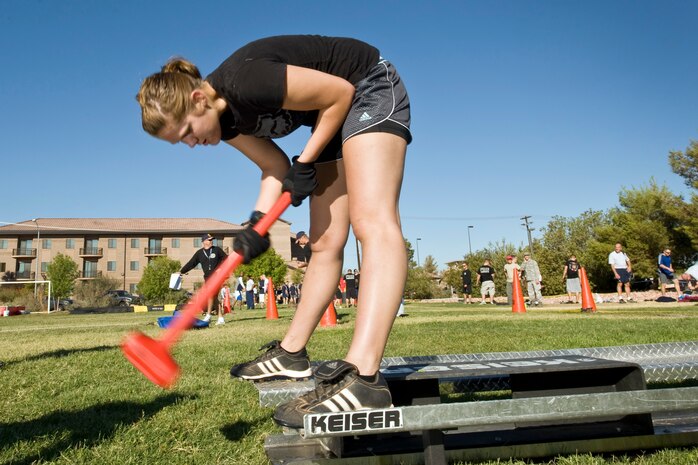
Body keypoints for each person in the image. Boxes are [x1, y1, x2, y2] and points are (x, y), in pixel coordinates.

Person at [137, 35, 411, 428]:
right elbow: (273, 167)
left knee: (372, 220)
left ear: (198, 100)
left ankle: (364, 378)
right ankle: (291, 353)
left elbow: (340, 92)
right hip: (331, 117)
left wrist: (307, 160)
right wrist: (255, 223)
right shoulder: (227, 120)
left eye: (186, 133)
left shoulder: (244, 82)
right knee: (324, 242)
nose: (192, 144)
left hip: (368, 86)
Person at [179, 233, 228, 324]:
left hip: (217, 277)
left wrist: (220, 268)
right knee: (213, 296)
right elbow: (191, 263)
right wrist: (181, 271)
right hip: (207, 277)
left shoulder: (217, 250)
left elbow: (227, 259)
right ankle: (218, 318)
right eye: (209, 240)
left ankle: (210, 315)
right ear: (204, 241)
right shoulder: (199, 253)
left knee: (211, 294)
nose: (211, 241)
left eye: (212, 239)